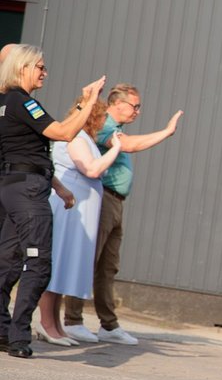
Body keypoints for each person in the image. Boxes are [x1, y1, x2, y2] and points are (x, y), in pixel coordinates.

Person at [0, 44, 105, 358]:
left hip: (12, 185)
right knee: (38, 263)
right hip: (28, 192)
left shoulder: (4, 102)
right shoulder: (21, 101)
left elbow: (19, 153)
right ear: (23, 68)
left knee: (7, 262)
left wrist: (56, 185)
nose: (44, 73)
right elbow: (62, 132)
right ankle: (19, 337)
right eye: (40, 67)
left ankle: (4, 331)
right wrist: (89, 102)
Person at [61, 84, 182, 345]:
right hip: (102, 199)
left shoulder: (115, 128)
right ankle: (73, 320)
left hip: (115, 202)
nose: (138, 111)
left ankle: (108, 325)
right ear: (117, 104)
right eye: (134, 106)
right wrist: (166, 132)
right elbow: (129, 146)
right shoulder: (105, 125)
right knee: (89, 260)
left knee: (108, 266)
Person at [34, 99, 122, 345]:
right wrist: (116, 148)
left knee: (64, 268)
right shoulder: (76, 138)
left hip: (77, 212)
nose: (105, 122)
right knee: (58, 264)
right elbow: (92, 170)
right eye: (102, 117)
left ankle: (56, 325)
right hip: (69, 210)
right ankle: (46, 323)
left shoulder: (85, 138)